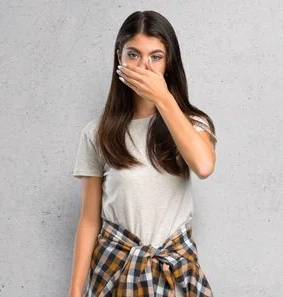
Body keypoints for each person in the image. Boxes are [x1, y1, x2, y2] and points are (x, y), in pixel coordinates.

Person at [67, 10, 216, 297]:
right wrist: (75, 292)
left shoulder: (193, 125)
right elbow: (89, 219)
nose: (144, 66)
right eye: (133, 54)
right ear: (119, 59)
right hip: (114, 269)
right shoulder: (96, 133)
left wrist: (162, 98)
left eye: (155, 56)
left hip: (175, 270)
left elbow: (204, 166)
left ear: (169, 63)